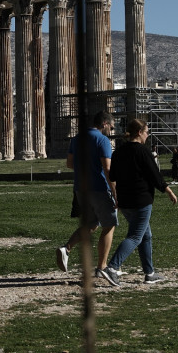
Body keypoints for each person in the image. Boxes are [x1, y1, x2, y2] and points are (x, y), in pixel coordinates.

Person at [100, 119, 177, 286]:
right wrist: (168, 190)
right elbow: (155, 175)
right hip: (141, 200)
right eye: (146, 132)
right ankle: (112, 267)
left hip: (125, 201)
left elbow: (112, 176)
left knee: (145, 235)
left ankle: (150, 273)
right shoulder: (142, 151)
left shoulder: (119, 152)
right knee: (135, 236)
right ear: (139, 132)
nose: (147, 135)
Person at [56, 110, 119, 284]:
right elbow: (107, 168)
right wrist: (115, 192)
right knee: (109, 225)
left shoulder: (77, 139)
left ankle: (66, 249)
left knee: (92, 223)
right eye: (111, 127)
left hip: (80, 188)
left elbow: (69, 164)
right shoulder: (102, 140)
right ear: (104, 124)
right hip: (99, 188)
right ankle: (102, 267)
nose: (111, 131)